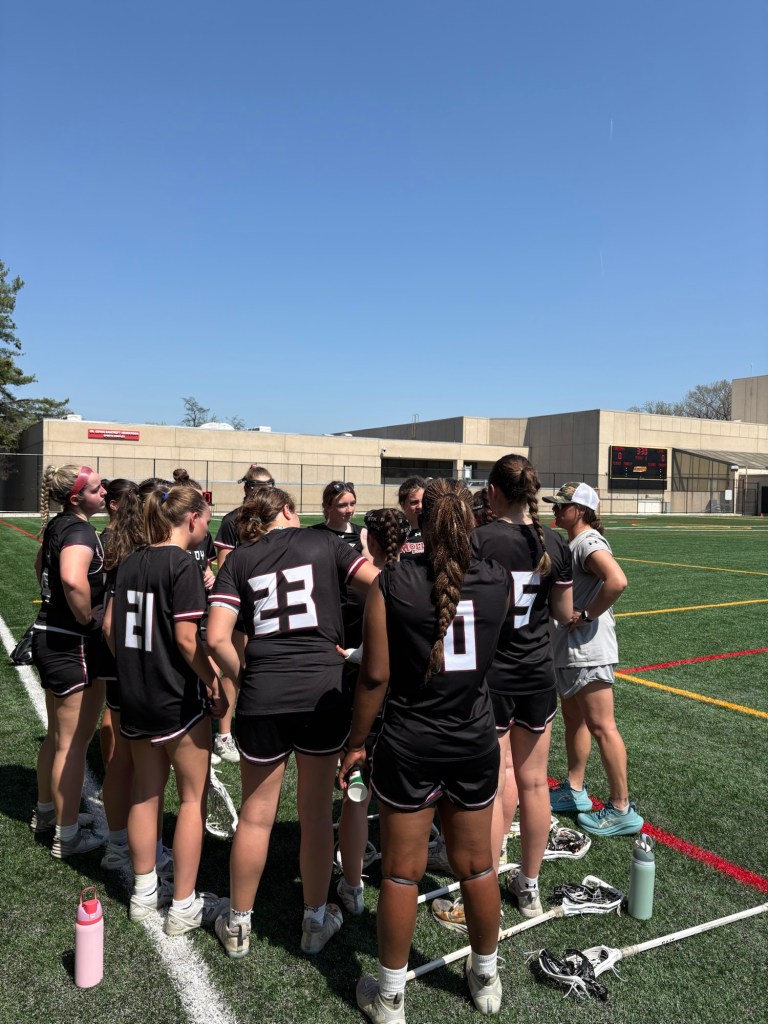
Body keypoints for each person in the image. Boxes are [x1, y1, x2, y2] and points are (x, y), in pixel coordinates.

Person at [340, 479, 511, 1021]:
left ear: (422, 522)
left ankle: (390, 996)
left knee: (400, 872)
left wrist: (356, 743)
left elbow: (374, 677)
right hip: (473, 736)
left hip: (410, 741)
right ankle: (485, 975)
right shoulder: (498, 578)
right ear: (471, 520)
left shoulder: (392, 581)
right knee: (478, 867)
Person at [206, 487, 378, 960]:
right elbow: (381, 585)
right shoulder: (325, 542)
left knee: (255, 814)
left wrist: (246, 675)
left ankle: (238, 922)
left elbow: (216, 637)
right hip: (322, 690)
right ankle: (315, 920)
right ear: (287, 510)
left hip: (264, 694)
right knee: (316, 812)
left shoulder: (238, 560)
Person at [437, 455, 572, 928]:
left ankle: (486, 888)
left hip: (492, 675)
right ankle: (528, 885)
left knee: (494, 786)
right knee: (534, 783)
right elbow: (563, 612)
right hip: (537, 672)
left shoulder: (480, 539)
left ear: (493, 492)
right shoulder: (554, 541)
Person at [104, 485, 228, 935]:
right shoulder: (181, 564)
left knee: (145, 792)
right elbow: (186, 639)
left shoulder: (131, 560)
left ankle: (143, 894)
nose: (208, 526)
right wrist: (213, 681)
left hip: (135, 694)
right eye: (207, 517)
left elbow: (109, 628)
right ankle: (183, 905)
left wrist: (135, 667)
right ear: (192, 518)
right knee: (192, 799)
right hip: (176, 698)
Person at [544, 482, 643, 836]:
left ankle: (621, 808)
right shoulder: (574, 542)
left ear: (581, 511)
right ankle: (574, 789)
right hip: (572, 652)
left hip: (587, 651)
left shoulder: (587, 542)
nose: (556, 510)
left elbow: (617, 580)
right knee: (576, 722)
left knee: (602, 726)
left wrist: (586, 615)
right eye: (555, 505)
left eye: (562, 505)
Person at [30, 465, 107, 858]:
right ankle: (67, 835)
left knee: (58, 738)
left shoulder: (58, 524)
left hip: (50, 637)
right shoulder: (80, 531)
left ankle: (46, 814)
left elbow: (38, 566)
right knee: (74, 744)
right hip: (69, 642)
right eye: (96, 488)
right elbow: (73, 579)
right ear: (76, 498)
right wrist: (86, 618)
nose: (104, 491)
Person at [335, 507, 409, 917]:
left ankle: (352, 886)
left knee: (357, 795)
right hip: (410, 705)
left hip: (375, 704)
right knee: (402, 798)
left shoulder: (381, 584)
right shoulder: (421, 577)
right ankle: (402, 875)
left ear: (374, 542)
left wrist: (348, 655)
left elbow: (375, 658)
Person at [212, 464, 275, 763]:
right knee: (235, 667)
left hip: (269, 602)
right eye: (259, 488)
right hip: (242, 605)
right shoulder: (232, 520)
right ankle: (223, 734)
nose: (264, 493)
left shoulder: (273, 518)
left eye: (269, 488)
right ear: (247, 488)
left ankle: (260, 723)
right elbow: (225, 566)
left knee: (265, 665)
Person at [397, 476, 426, 560]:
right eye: (414, 502)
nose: (420, 506)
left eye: (423, 501)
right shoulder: (395, 532)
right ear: (402, 504)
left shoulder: (434, 531)